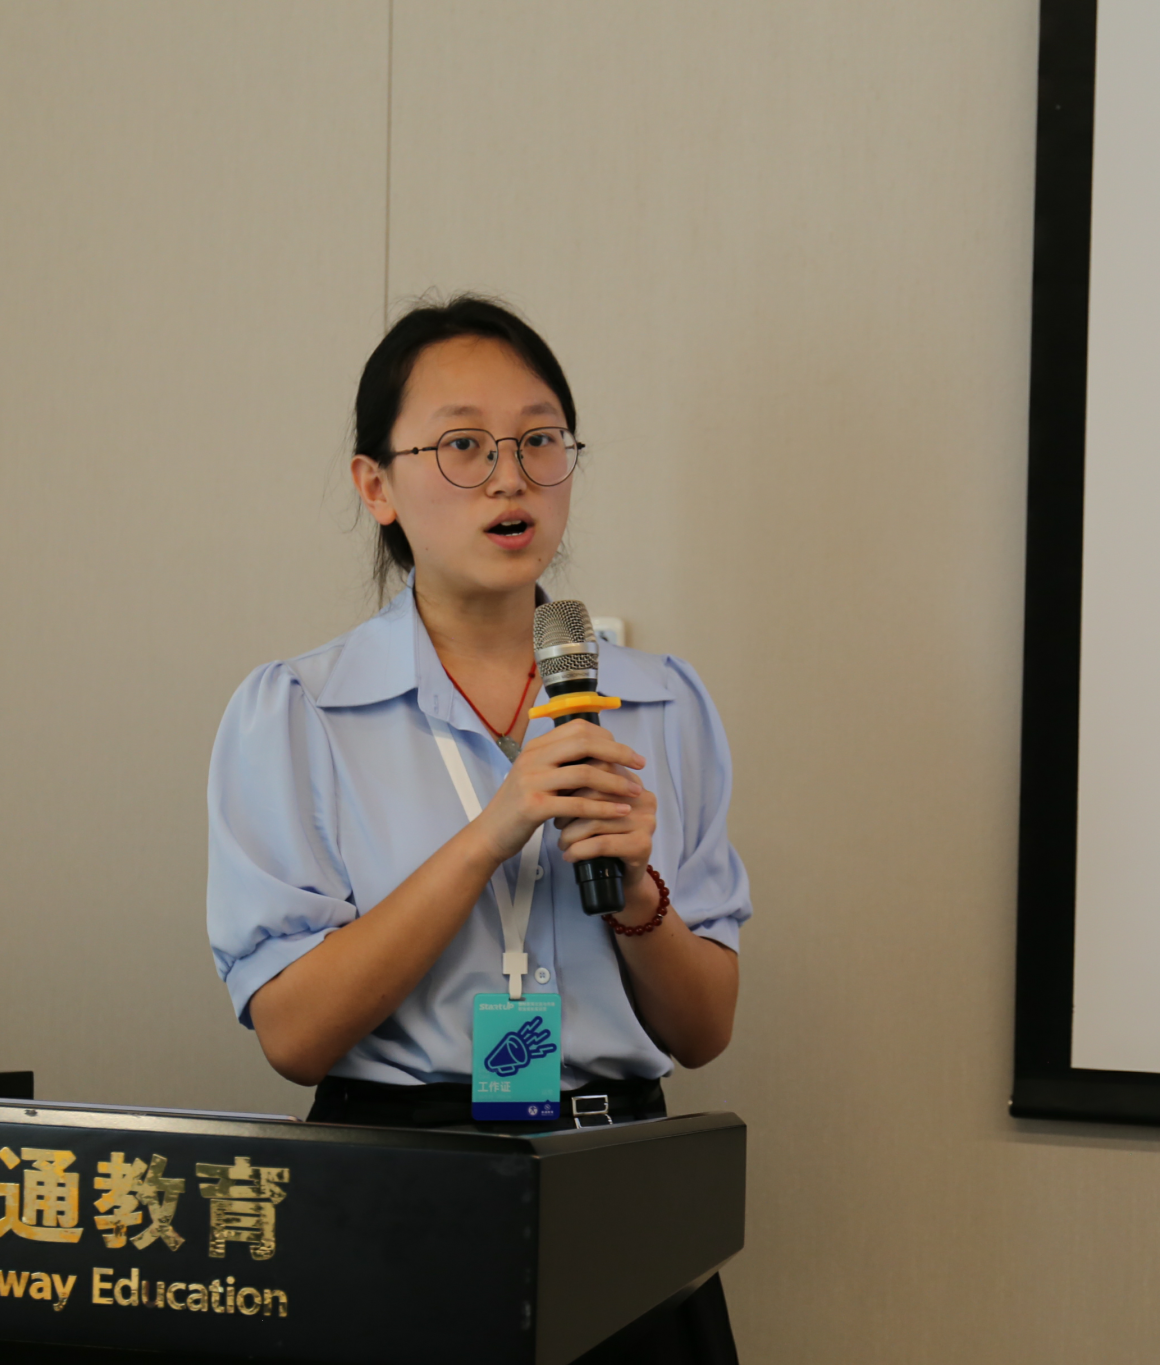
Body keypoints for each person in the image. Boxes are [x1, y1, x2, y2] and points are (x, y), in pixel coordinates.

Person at [206, 295, 748, 1364]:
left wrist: (640, 898)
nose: (510, 478)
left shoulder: (661, 703)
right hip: (395, 1187)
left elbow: (705, 1030)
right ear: (376, 485)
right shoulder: (298, 712)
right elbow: (293, 1037)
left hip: (619, 1187)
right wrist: (489, 833)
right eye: (463, 445)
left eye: (540, 440)